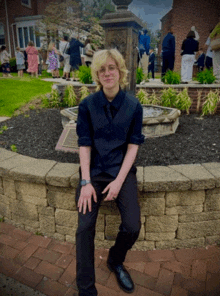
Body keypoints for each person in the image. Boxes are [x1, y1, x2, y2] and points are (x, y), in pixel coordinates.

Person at [75, 48, 144, 296]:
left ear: (120, 71)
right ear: (97, 74)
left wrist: (118, 182)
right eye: (102, 69)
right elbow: (84, 143)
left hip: (121, 171)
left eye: (111, 68)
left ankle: (115, 259)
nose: (107, 73)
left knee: (133, 225)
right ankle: (86, 289)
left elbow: (134, 145)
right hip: (92, 172)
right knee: (84, 229)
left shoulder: (134, 106)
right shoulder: (87, 105)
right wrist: (85, 181)